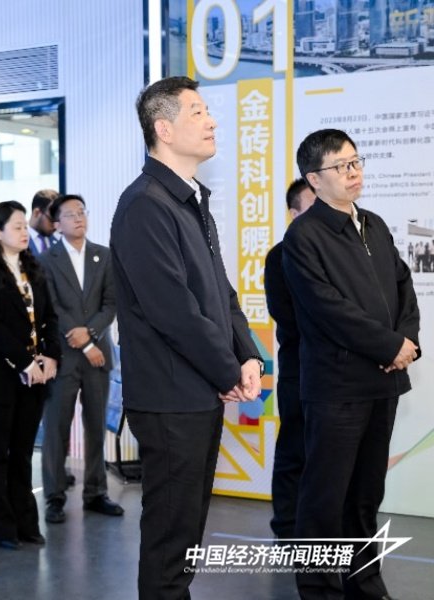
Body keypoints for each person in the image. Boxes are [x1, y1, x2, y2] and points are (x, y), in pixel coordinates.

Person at [110, 76, 263, 600]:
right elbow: (174, 311)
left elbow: (221, 293)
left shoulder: (189, 200)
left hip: (198, 391)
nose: (212, 121)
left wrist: (247, 356)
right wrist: (227, 370)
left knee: (187, 533)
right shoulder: (144, 205)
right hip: (170, 397)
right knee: (171, 539)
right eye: (198, 112)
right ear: (165, 129)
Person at [283, 129, 420, 600]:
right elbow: (329, 310)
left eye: (356, 161)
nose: (354, 172)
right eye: (341, 166)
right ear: (314, 179)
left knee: (365, 495)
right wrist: (388, 347)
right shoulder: (303, 237)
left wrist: (406, 342)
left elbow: (403, 287)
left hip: (383, 383)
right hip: (337, 388)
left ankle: (364, 583)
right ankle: (319, 589)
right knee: (325, 498)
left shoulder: (374, 224)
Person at [0, 200, 61, 550]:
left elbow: (50, 318)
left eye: (24, 226)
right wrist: (25, 362)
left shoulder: (33, 267)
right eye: (17, 226)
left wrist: (51, 355)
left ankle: (25, 523)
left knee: (22, 452)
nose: (24, 232)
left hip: (35, 376)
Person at [39, 193, 122, 524]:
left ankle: (96, 492)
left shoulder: (104, 255)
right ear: (57, 224)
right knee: (56, 428)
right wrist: (83, 342)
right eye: (70, 214)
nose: (78, 218)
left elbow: (111, 304)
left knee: (96, 427)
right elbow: (52, 308)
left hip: (98, 356)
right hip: (63, 356)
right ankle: (55, 495)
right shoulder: (46, 260)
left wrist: (90, 334)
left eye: (81, 212)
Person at [264, 178, 315, 540]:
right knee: (293, 450)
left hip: (337, 375)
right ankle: (286, 527)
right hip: (299, 370)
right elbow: (286, 315)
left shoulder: (339, 253)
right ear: (294, 213)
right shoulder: (279, 256)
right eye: (313, 206)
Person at [27, 188, 58, 256]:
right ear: (36, 213)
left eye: (58, 221)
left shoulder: (58, 243)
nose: (55, 226)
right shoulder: (17, 241)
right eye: (52, 220)